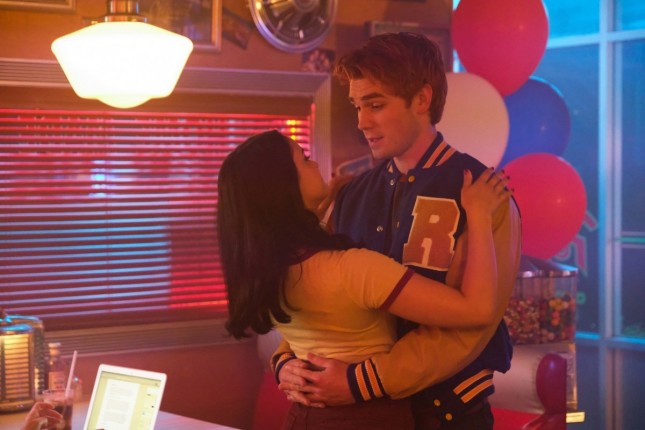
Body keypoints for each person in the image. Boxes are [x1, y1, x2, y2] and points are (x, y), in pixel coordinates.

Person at [273, 32, 522, 429]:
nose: (361, 122)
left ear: (422, 99)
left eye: (375, 105)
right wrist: (288, 360)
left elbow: (474, 322)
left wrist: (364, 381)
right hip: (364, 414)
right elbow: (323, 297)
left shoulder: (483, 195)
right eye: (357, 107)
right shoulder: (351, 195)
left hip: (447, 414)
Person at [218, 130, 512, 429]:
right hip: (368, 417)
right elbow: (477, 310)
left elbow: (311, 329)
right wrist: (479, 215)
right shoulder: (352, 269)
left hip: (305, 416)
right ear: (284, 187)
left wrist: (283, 364)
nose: (315, 163)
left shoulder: (267, 270)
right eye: (304, 159)